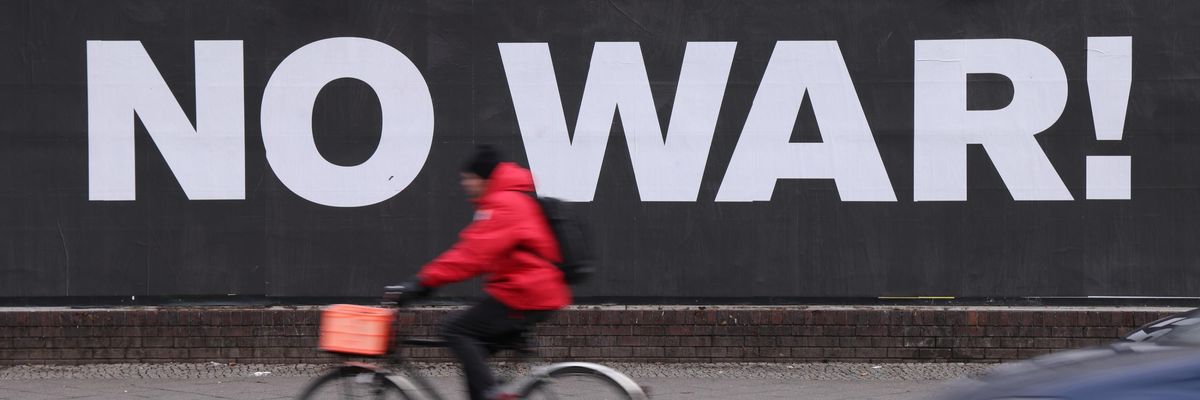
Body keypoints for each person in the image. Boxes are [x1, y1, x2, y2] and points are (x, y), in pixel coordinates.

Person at [396, 145, 571, 400]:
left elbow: (471, 255)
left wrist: (422, 283)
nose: (464, 184)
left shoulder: (504, 204)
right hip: (527, 291)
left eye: (468, 178)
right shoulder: (509, 199)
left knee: (456, 329)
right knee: (473, 354)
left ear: (483, 178)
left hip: (525, 293)